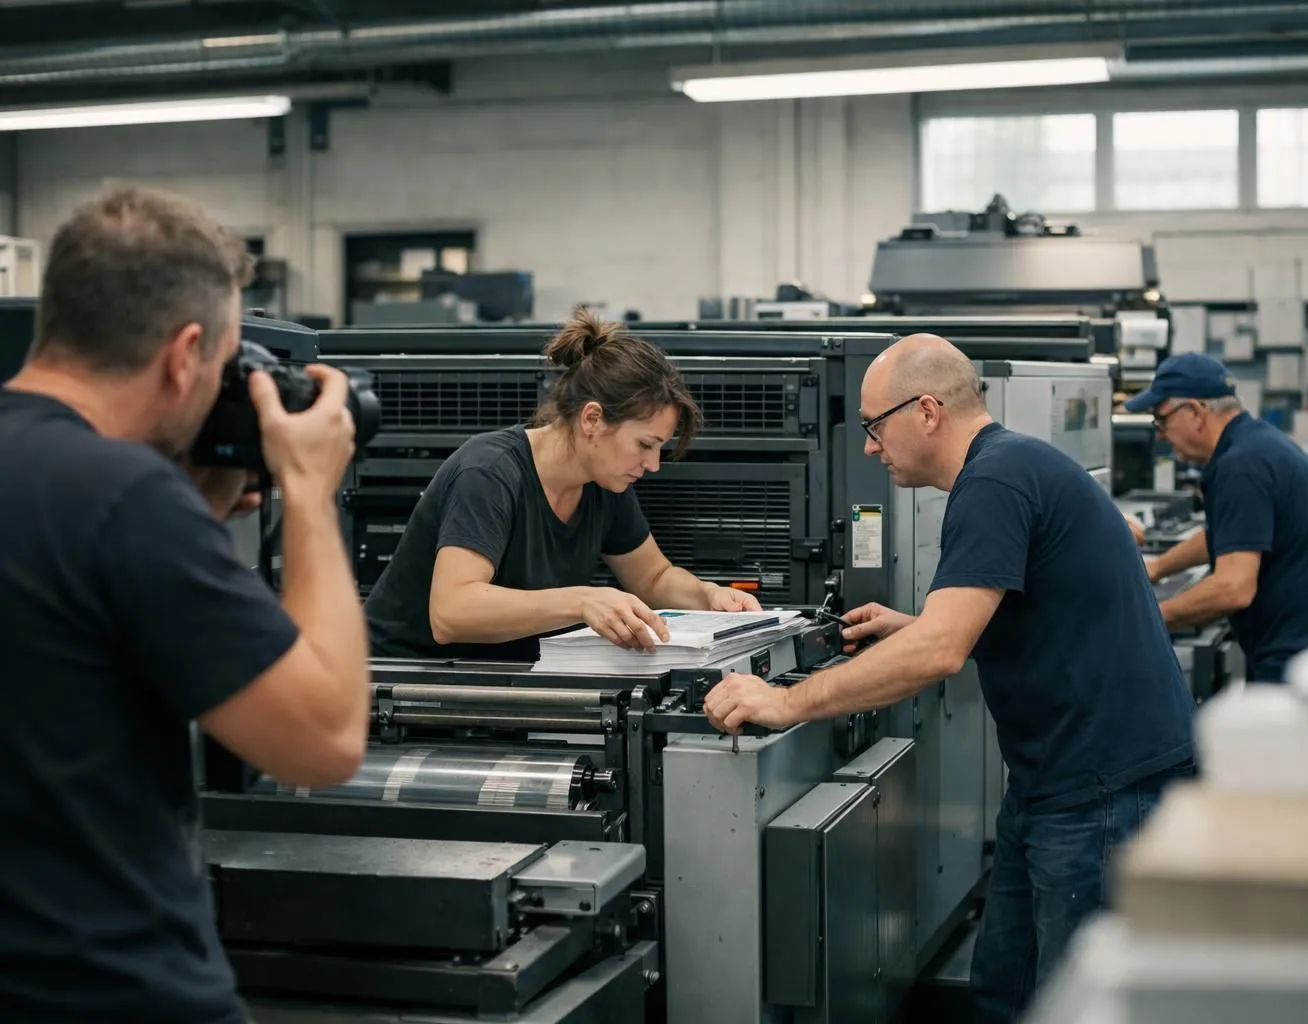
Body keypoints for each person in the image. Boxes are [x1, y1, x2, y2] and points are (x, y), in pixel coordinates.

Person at [702, 333, 1197, 1023]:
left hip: (1102, 786)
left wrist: (786, 702)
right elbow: (1007, 615)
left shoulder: (992, 482)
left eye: (875, 426)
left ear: (927, 410)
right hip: (1058, 779)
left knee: (1075, 1004)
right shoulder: (1012, 464)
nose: (871, 448)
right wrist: (916, 624)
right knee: (1007, 988)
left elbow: (941, 653)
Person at [0, 187, 370, 1022]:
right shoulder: (125, 500)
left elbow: (67, 631)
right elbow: (323, 741)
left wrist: (193, 516)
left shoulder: (95, 500)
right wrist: (310, 498)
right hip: (107, 990)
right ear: (184, 354)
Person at [365, 309, 760, 662]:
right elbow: (451, 613)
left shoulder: (603, 483)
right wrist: (582, 599)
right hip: (405, 685)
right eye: (645, 445)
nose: (652, 465)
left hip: (499, 684)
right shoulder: (489, 473)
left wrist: (709, 596)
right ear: (592, 420)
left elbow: (653, 578)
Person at [1134, 354, 1308, 682]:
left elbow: (1233, 588)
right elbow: (1232, 533)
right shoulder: (1255, 444)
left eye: (1161, 420)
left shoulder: (1241, 466)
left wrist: (1148, 618)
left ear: (1195, 412)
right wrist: (1159, 567)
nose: (1161, 435)